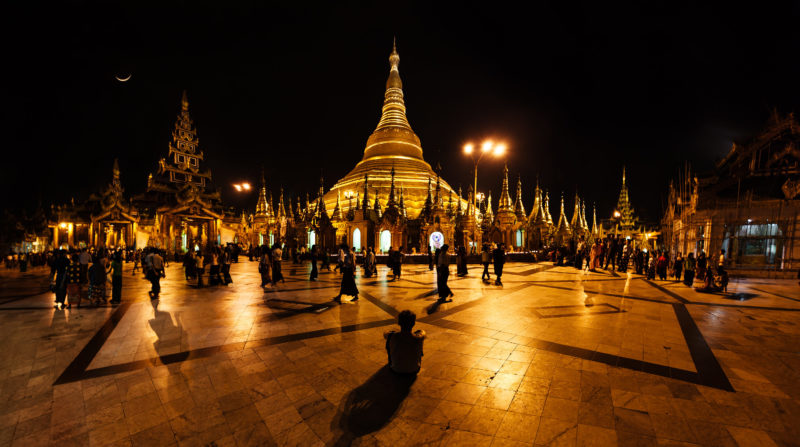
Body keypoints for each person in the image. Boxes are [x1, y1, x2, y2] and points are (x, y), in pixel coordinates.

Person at [383, 310, 426, 374]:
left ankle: (393, 361)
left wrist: (393, 333)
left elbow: (385, 333)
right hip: (414, 370)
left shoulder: (392, 336)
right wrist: (419, 333)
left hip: (396, 370)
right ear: (413, 323)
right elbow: (423, 332)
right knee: (419, 340)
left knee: (389, 339)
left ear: (399, 322)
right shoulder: (418, 337)